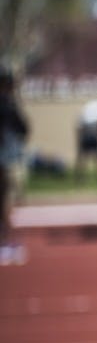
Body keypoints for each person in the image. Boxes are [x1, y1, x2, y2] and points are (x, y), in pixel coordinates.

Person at [0, 69, 29, 265]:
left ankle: (7, 242)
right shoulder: (9, 105)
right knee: (7, 201)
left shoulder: (7, 104)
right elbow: (25, 129)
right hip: (7, 159)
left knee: (5, 201)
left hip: (5, 159)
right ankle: (7, 242)